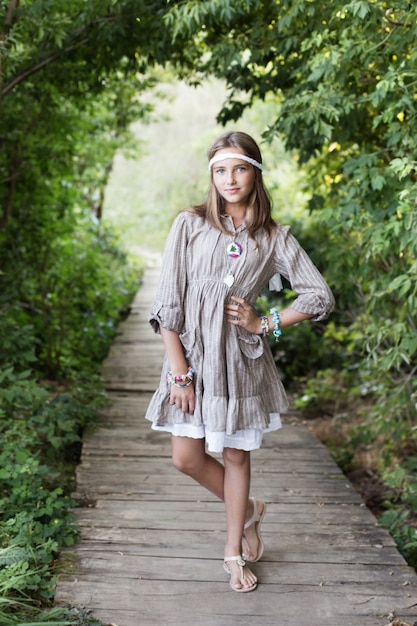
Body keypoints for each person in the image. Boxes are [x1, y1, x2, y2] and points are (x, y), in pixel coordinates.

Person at [145, 130, 335, 593]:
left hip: (239, 360)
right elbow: (169, 303)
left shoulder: (272, 238)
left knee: (234, 454)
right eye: (221, 170)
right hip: (191, 357)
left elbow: (319, 295)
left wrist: (264, 323)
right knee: (186, 457)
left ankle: (232, 552)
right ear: (212, 176)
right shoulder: (189, 225)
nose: (230, 179)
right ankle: (249, 509)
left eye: (240, 168)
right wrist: (180, 372)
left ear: (256, 172)